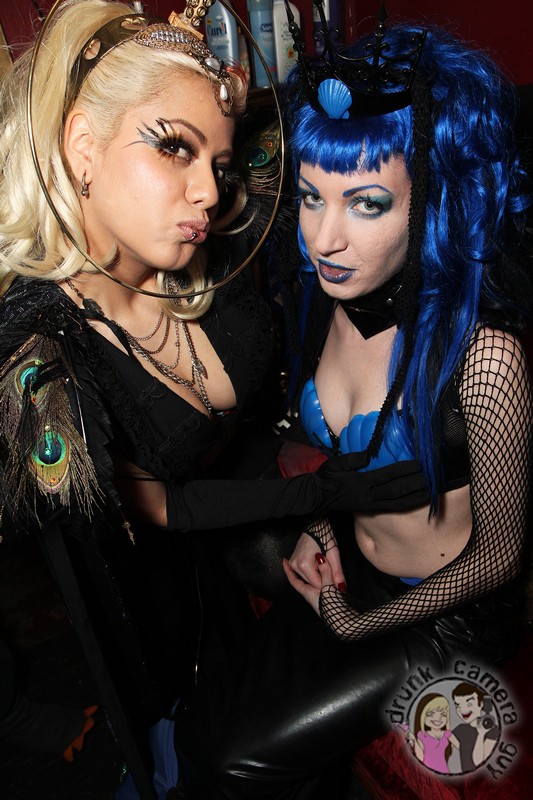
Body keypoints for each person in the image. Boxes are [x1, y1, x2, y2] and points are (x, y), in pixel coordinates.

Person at [0, 0, 430, 760]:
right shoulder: (44, 344)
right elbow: (157, 507)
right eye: (174, 148)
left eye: (219, 165)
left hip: (274, 503)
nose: (208, 191)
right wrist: (320, 497)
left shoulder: (217, 254)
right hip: (165, 580)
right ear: (83, 146)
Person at [170, 3, 533, 798]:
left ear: (431, 202)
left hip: (445, 612)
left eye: (365, 203)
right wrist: (320, 527)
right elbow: (342, 461)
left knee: (234, 759)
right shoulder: (330, 298)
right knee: (210, 694)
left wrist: (360, 622)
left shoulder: (485, 360)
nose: (322, 238)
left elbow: (501, 557)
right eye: (310, 197)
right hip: (355, 563)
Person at [404, 692, 459, 774]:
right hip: (426, 772)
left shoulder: (447, 734)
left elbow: (462, 748)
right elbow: (421, 757)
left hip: (444, 771)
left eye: (443, 714)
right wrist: (414, 740)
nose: (438, 718)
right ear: (422, 715)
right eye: (431, 714)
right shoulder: (422, 735)